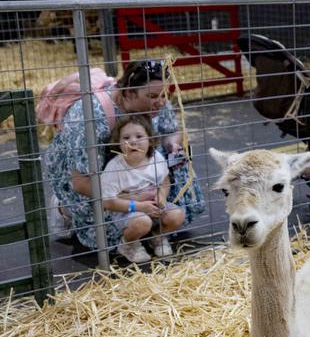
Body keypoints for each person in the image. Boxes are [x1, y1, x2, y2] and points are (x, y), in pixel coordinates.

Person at [45, 59, 205, 253]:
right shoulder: (90, 115)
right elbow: (80, 182)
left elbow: (171, 130)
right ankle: (63, 208)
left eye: (165, 95)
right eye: (153, 96)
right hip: (94, 174)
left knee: (165, 206)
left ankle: (152, 233)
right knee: (106, 233)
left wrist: (172, 146)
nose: (162, 101)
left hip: (136, 168)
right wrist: (132, 199)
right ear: (128, 93)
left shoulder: (156, 98)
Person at [101, 115, 185, 263]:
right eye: (126, 137)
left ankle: (157, 237)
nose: (133, 141)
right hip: (127, 210)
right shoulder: (114, 167)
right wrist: (139, 206)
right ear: (118, 143)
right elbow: (108, 202)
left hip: (153, 205)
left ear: (150, 140)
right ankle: (129, 244)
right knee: (142, 222)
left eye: (139, 136)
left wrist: (162, 196)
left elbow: (165, 180)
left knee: (177, 215)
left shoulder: (156, 158)